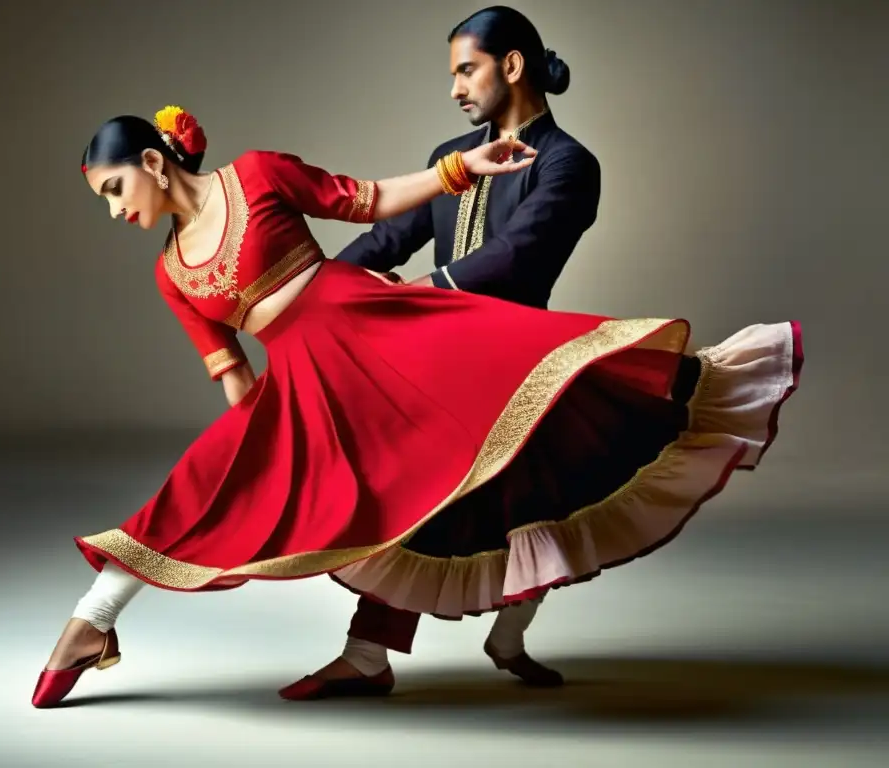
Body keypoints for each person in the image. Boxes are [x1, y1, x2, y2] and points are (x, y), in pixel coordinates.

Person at [31, 103, 803, 710]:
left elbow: (366, 202)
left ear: (154, 163)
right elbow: (234, 379)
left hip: (382, 328)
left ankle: (418, 645)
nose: (113, 211)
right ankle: (90, 625)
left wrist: (459, 169)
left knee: (518, 416)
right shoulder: (172, 275)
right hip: (310, 382)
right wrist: (258, 445)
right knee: (202, 486)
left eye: (113, 190)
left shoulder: (257, 176)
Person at [287, 6, 703, 699]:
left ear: (512, 66)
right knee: (432, 499)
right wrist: (319, 288)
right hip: (438, 362)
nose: (454, 87)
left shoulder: (570, 164)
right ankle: (380, 655)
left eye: (465, 69)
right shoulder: (451, 159)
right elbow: (388, 238)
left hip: (520, 367)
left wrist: (413, 295)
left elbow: (517, 257)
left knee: (540, 504)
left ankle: (483, 640)